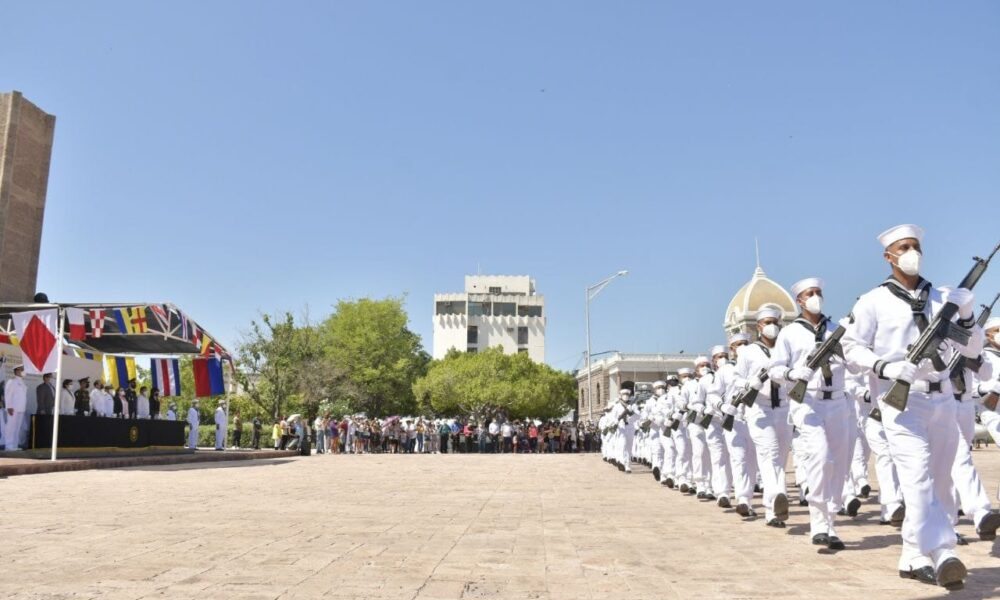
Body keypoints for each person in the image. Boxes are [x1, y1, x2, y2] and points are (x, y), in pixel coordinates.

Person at [843, 224, 989, 590]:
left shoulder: (942, 298)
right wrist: (884, 366)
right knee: (917, 477)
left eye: (916, 246)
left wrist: (967, 314)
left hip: (942, 398)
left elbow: (972, 350)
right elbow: (851, 348)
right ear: (888, 256)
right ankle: (943, 550)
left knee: (940, 480)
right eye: (904, 247)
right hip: (901, 399)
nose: (912, 252)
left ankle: (911, 554)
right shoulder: (873, 301)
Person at [769, 277, 850, 552]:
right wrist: (793, 373)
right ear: (800, 301)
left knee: (839, 463)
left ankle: (831, 523)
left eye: (818, 292)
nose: (816, 297)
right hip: (808, 402)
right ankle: (817, 521)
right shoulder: (789, 333)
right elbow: (774, 370)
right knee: (819, 457)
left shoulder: (837, 330)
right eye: (810, 294)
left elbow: (854, 362)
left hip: (838, 402)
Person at [736, 307, 792, 528]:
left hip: (784, 407)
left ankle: (775, 506)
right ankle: (775, 501)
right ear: (758, 326)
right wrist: (750, 383)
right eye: (767, 322)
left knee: (782, 456)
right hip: (759, 409)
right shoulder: (748, 352)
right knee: (769, 453)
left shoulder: (785, 348)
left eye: (775, 321)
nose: (772, 325)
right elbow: (736, 379)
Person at [3, 364, 27, 450]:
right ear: (17, 371)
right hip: (13, 408)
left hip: (21, 408)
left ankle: (15, 445)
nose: (23, 371)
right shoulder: (12, 381)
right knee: (11, 427)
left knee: (17, 428)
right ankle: (9, 445)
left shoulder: (22, 382)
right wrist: (8, 407)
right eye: (22, 369)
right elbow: (8, 395)